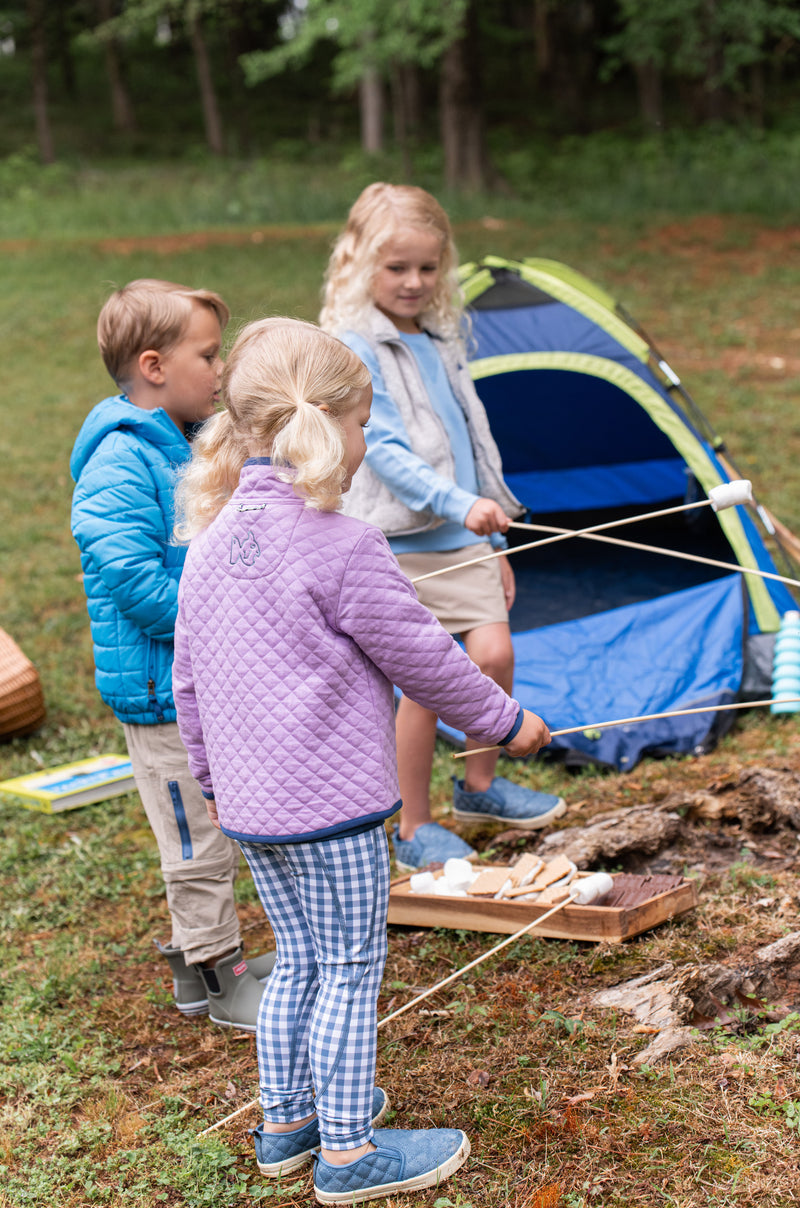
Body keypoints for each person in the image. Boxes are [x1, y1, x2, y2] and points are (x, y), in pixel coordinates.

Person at [171, 316, 552, 1203]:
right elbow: (427, 661)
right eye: (362, 426)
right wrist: (508, 722)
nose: (361, 443)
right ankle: (347, 1152)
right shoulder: (347, 546)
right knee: (347, 967)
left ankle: (286, 1121)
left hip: (253, 811)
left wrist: (220, 784)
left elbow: (188, 684)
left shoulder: (210, 541)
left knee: (300, 959)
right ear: (330, 422)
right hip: (332, 811)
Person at [319, 182, 566, 872]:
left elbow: (469, 440)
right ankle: (412, 825)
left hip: (466, 535)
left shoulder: (442, 336)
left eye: (428, 268)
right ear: (357, 263)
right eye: (397, 268)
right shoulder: (354, 345)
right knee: (426, 684)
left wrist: (488, 534)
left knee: (492, 656)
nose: (414, 282)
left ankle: (480, 786)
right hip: (401, 542)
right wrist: (457, 507)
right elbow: (387, 450)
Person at [70, 278, 274, 1032]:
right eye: (209, 355)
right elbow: (131, 578)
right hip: (161, 693)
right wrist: (214, 624)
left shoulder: (181, 442)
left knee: (213, 827)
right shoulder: (120, 460)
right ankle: (220, 981)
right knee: (194, 840)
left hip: (197, 684)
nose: (220, 371)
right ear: (155, 365)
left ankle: (202, 968)